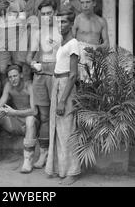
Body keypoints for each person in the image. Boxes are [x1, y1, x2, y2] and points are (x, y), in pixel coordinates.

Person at [45, 11, 81, 186]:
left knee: (68, 130)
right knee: (58, 129)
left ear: (71, 24)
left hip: (66, 86)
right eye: (59, 23)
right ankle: (62, 169)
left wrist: (62, 100)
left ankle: (73, 172)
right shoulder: (63, 44)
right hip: (58, 83)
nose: (61, 26)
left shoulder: (73, 44)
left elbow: (73, 75)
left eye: (64, 22)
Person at [26, 0, 61, 169]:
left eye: (49, 13)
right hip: (41, 77)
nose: (46, 16)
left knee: (59, 116)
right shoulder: (38, 33)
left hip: (57, 76)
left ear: (55, 12)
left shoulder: (62, 30)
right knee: (44, 117)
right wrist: (33, 64)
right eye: (43, 14)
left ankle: (57, 156)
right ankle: (44, 153)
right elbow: (29, 57)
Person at [0, 64, 38, 172]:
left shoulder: (29, 86)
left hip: (28, 124)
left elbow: (34, 111)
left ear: (21, 75)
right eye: (10, 77)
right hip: (15, 121)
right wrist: (4, 111)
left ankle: (28, 160)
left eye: (15, 76)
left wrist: (14, 112)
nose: (13, 79)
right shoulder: (8, 86)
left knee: (30, 119)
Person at [72, 0, 109, 81]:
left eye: (88, 2)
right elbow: (71, 41)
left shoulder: (101, 21)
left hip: (94, 57)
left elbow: (106, 43)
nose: (85, 5)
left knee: (95, 88)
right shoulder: (77, 19)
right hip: (79, 59)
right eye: (82, 3)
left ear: (94, 3)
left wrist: (94, 48)